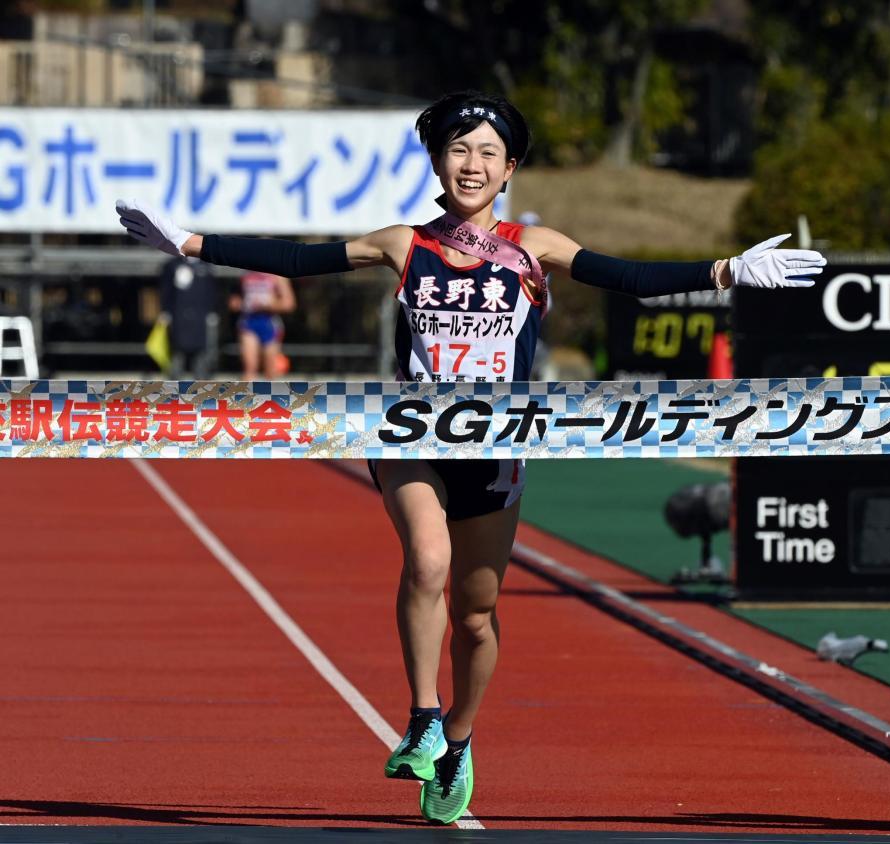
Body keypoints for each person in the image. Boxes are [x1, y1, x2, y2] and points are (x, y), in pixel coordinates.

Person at [116, 90, 824, 825]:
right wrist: (189, 243)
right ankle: (423, 716)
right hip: (410, 438)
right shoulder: (404, 244)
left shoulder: (533, 247)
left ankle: (458, 737)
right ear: (437, 162)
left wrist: (727, 271)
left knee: (477, 614)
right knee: (427, 561)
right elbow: (298, 260)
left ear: (509, 168)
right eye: (458, 150)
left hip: (496, 447)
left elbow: (628, 277)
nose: (472, 164)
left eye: (488, 152)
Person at [158, 255, 218, 379]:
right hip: (178, 316)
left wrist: (212, 312)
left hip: (200, 317)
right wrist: (165, 311)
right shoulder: (172, 265)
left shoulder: (206, 266)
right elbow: (166, 290)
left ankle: (201, 381)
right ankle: (174, 381)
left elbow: (211, 291)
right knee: (176, 348)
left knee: (202, 350)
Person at [229, 270, 296, 380]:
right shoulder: (244, 273)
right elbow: (233, 302)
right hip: (249, 321)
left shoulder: (278, 274)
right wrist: (239, 304)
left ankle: (271, 390)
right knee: (249, 368)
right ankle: (247, 390)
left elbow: (289, 303)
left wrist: (268, 305)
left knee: (270, 370)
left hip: (269, 322)